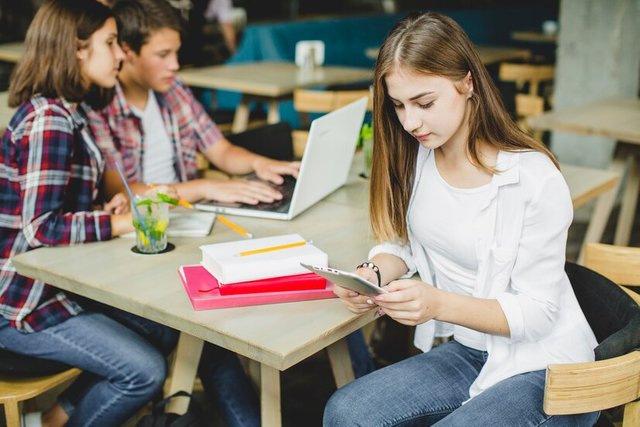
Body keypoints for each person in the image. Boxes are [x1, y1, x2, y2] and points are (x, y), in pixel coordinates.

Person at [323, 11, 600, 426]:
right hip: (471, 350)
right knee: (346, 413)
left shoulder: (533, 179)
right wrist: (372, 275)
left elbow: (537, 313)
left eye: (425, 102)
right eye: (398, 105)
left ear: (467, 83)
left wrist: (437, 304)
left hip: (549, 366)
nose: (410, 121)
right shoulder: (417, 156)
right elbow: (404, 243)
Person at [0, 1, 172, 426]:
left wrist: (101, 208)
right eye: (110, 43)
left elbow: (54, 206)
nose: (120, 54)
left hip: (55, 285)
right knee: (144, 371)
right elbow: (40, 227)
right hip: (22, 303)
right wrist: (120, 222)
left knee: (166, 329)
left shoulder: (71, 112)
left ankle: (52, 419)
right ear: (77, 48)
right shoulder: (49, 120)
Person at [88, 0, 299, 206]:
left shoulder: (174, 89)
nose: (175, 65)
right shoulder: (101, 106)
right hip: (145, 223)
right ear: (127, 52)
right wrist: (206, 187)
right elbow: (120, 191)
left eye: (176, 52)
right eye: (163, 55)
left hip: (188, 211)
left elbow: (221, 151)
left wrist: (260, 164)